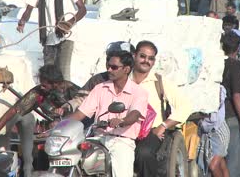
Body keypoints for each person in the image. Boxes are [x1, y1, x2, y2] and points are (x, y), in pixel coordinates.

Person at [67, 50, 148, 177]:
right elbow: (81, 113)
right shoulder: (100, 88)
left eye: (114, 67)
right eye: (108, 66)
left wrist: (122, 121)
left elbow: (135, 114)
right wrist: (60, 125)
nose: (109, 70)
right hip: (97, 138)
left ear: (126, 69)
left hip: (121, 141)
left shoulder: (138, 92)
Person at [17, 0, 87, 81]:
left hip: (67, 36)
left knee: (63, 74)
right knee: (47, 77)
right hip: (48, 37)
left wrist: (69, 23)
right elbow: (29, 8)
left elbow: (83, 9)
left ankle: (65, 100)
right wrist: (22, 20)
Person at [132, 41, 196, 177]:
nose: (146, 61)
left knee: (144, 153)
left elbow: (185, 106)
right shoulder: (124, 79)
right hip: (125, 129)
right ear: (134, 56)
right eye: (142, 56)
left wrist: (163, 126)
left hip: (150, 132)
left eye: (151, 58)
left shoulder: (159, 82)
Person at [0, 64, 86, 144]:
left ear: (55, 83)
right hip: (54, 133)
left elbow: (86, 110)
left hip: (78, 132)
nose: (42, 87)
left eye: (44, 85)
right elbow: (15, 110)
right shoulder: (39, 93)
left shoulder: (72, 90)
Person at [221, 31, 240, 177]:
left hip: (214, 117)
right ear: (237, 48)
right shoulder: (234, 65)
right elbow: (236, 95)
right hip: (230, 117)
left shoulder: (217, 63)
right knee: (231, 158)